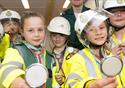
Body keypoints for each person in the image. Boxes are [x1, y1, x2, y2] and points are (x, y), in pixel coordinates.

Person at [63, 10, 125, 88]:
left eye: (101, 28)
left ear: (107, 30)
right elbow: (72, 83)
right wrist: (88, 85)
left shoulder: (111, 55)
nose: (98, 32)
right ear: (84, 36)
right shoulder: (77, 58)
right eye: (92, 30)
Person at [0, 11, 52, 88]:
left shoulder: (49, 55)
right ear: (22, 32)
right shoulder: (15, 51)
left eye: (40, 30)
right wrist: (17, 82)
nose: (36, 34)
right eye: (31, 30)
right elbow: (8, 68)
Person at [47, 16, 78, 88]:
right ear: (50, 36)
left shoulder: (75, 53)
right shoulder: (47, 55)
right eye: (54, 35)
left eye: (61, 35)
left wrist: (64, 80)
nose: (57, 39)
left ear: (66, 36)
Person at [104, 0, 125, 65]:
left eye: (123, 10)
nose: (119, 14)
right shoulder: (101, 42)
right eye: (113, 12)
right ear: (107, 17)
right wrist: (110, 57)